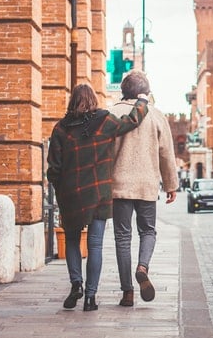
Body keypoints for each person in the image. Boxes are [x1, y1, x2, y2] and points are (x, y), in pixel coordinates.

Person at [47, 84, 149, 311]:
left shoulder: (61, 129)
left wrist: (62, 189)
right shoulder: (105, 121)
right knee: (95, 245)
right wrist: (142, 101)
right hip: (98, 193)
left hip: (71, 194)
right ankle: (90, 298)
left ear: (73, 101)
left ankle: (76, 284)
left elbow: (52, 168)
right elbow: (132, 121)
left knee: (73, 241)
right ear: (94, 99)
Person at [109, 71, 178, 307]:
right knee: (148, 232)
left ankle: (127, 292)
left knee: (122, 237)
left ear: (123, 91)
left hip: (118, 185)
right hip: (147, 184)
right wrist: (171, 185)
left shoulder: (111, 113)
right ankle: (143, 266)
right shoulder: (156, 115)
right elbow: (166, 153)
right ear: (145, 93)